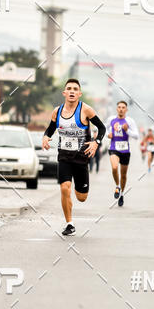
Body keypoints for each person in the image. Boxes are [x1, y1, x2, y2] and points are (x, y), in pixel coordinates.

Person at [42, 78, 106, 236]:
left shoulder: (86, 110)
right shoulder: (57, 111)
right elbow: (51, 128)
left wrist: (96, 142)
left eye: (75, 89)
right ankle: (69, 224)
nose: (72, 91)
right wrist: (45, 137)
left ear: (79, 94)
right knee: (65, 188)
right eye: (69, 89)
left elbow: (102, 128)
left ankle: (80, 193)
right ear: (64, 93)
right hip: (64, 157)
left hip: (81, 158)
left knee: (81, 197)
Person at [106, 100, 139, 207]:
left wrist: (127, 130)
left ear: (126, 110)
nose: (121, 109)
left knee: (123, 175)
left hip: (125, 150)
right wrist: (108, 134)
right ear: (117, 109)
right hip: (113, 147)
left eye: (123, 107)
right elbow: (104, 128)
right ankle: (117, 186)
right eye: (119, 107)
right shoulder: (111, 119)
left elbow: (136, 136)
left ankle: (122, 194)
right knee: (114, 167)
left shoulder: (130, 121)